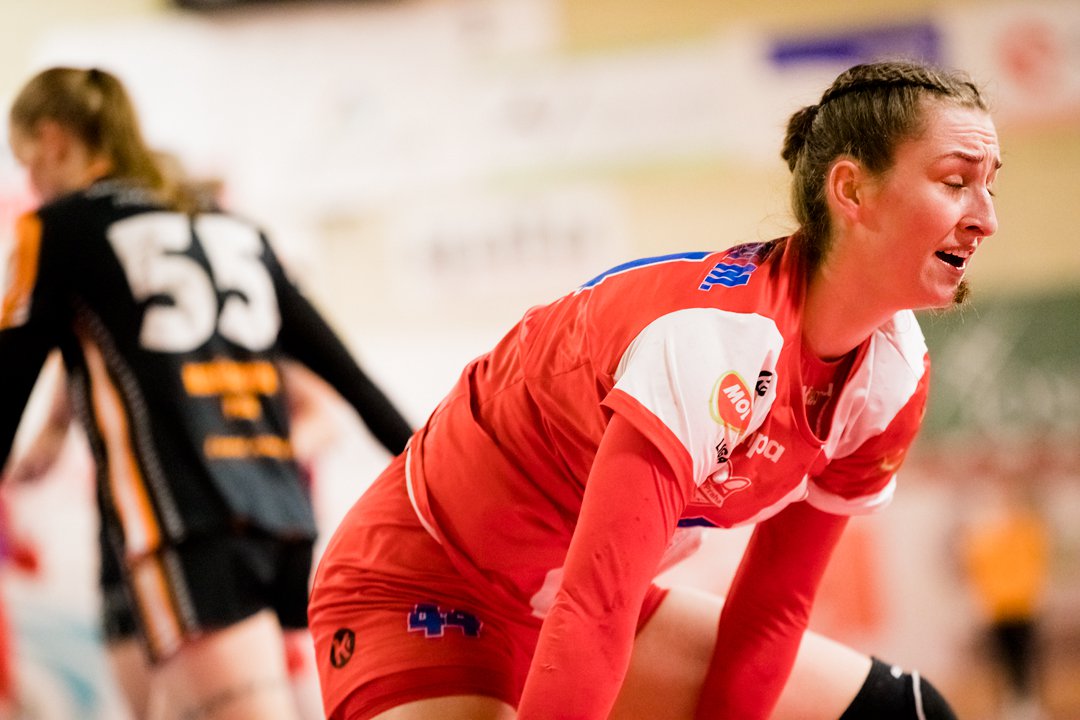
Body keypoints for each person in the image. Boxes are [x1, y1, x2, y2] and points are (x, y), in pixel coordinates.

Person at [307, 58, 1000, 720]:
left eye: (991, 186)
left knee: (905, 713)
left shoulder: (891, 373)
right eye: (955, 182)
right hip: (427, 585)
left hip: (569, 597)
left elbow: (773, 605)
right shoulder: (715, 341)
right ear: (850, 190)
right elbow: (596, 607)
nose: (985, 218)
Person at [0, 66, 414, 720]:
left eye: (27, 162)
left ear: (52, 140)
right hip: (280, 514)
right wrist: (436, 477)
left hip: (186, 525)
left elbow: (7, 384)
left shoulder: (56, 230)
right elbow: (353, 380)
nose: (31, 182)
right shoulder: (233, 228)